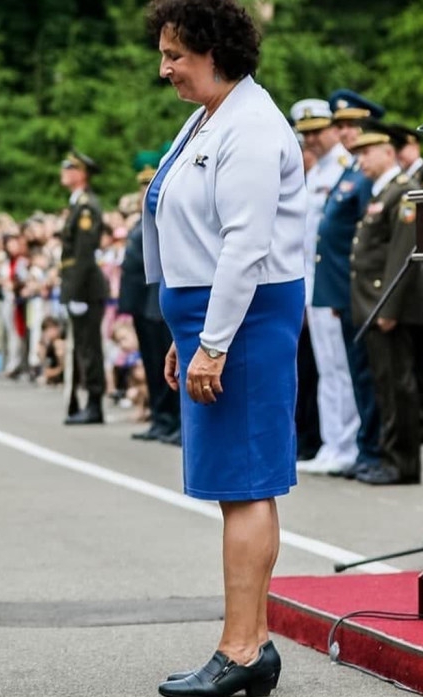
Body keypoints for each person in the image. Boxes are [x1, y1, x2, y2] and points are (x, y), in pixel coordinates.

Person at [144, 1, 305, 694]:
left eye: (176, 54)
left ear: (214, 52)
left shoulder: (252, 125)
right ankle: (253, 642)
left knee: (247, 485)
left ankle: (241, 648)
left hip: (244, 317)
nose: (166, 68)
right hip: (212, 318)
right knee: (233, 487)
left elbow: (244, 245)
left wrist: (211, 341)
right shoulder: (209, 117)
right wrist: (190, 337)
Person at [288, 99, 363, 476]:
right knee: (327, 367)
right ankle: (333, 444)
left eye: (317, 130)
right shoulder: (314, 173)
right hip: (313, 285)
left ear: (334, 129)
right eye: (305, 133)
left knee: (342, 367)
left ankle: (347, 445)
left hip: (335, 284)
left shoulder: (346, 168)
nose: (311, 139)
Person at [347, 124, 422, 486]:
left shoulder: (403, 192)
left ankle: (402, 462)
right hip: (373, 306)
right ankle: (391, 457)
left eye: (367, 152)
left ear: (389, 153)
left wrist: (388, 308)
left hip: (386, 308)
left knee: (398, 385)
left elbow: (403, 253)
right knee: (385, 384)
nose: (361, 159)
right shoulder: (385, 193)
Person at [120, 147, 181, 445]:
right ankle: (160, 419)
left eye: (150, 183)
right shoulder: (142, 217)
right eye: (143, 184)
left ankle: (174, 421)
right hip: (142, 303)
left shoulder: (165, 214)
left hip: (157, 301)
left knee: (165, 365)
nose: (145, 189)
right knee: (152, 364)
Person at [59, 150, 108, 424]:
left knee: (89, 349)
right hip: (80, 288)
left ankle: (94, 404)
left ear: (82, 174)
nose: (64, 171)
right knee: (82, 348)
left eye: (70, 167)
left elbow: (84, 255)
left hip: (86, 290)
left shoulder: (87, 205)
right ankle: (85, 402)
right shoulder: (77, 203)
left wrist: (74, 292)